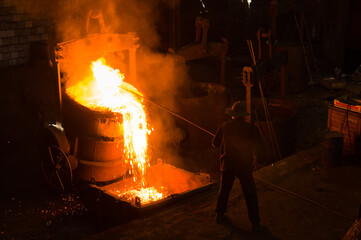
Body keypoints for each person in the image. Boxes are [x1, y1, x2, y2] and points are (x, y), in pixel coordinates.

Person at [212, 100, 265, 232]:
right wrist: (257, 159)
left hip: (228, 164)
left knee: (224, 190)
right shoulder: (251, 129)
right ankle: (255, 223)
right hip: (244, 164)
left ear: (233, 114)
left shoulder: (224, 126)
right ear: (243, 115)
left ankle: (220, 215)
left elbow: (214, 144)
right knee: (250, 193)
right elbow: (259, 146)